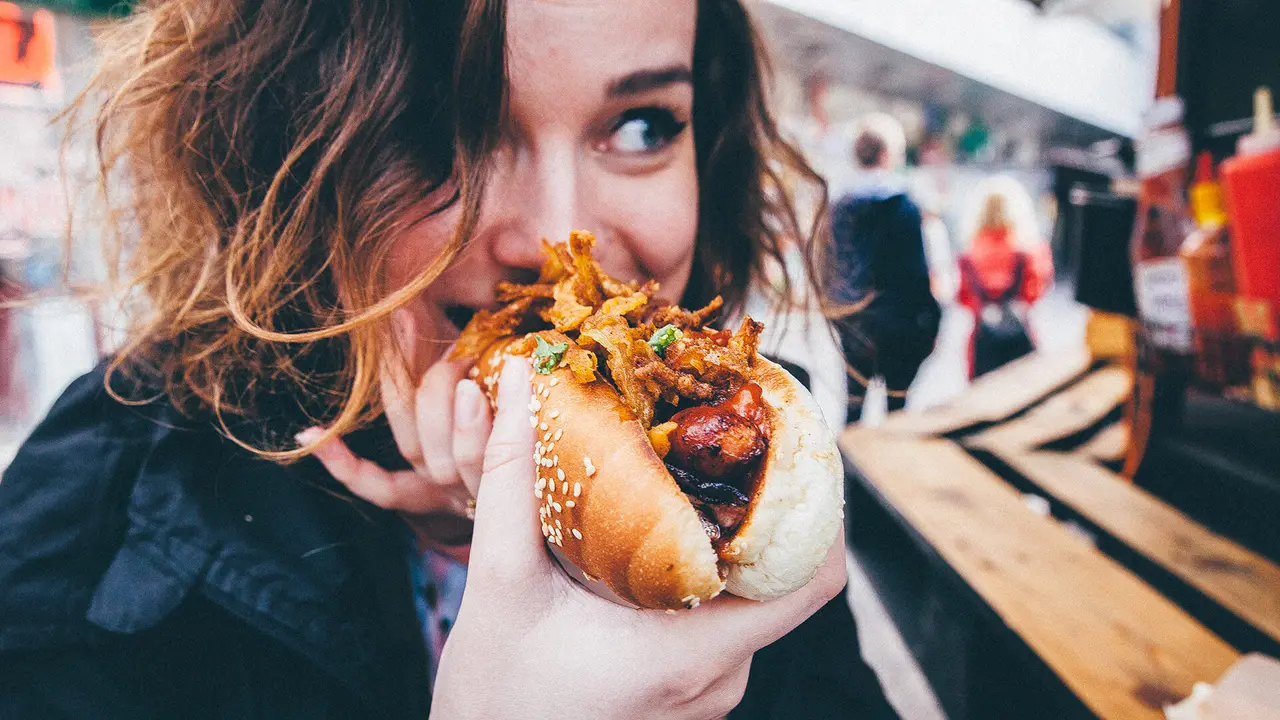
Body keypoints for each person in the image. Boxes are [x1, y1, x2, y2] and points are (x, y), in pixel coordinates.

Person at [0, 1, 900, 719]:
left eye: (641, 126)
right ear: (278, 156)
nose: (558, 238)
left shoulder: (736, 467)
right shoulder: (92, 527)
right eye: (440, 131)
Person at [829, 113, 941, 422]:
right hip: (899, 326)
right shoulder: (904, 206)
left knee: (852, 408)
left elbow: (828, 266)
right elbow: (916, 274)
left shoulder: (838, 205)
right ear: (887, 154)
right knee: (897, 412)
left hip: (853, 323)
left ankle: (847, 469)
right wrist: (932, 321)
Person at [956, 176, 1054, 378]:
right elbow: (1036, 292)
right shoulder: (1029, 251)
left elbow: (963, 297)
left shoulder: (968, 254)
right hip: (1020, 339)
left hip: (981, 342)